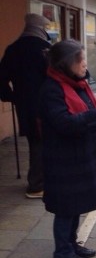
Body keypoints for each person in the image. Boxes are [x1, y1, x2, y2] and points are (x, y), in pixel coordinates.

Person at [39, 39, 96, 258]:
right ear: (66, 64)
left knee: (76, 205)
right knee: (65, 207)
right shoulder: (52, 89)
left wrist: (95, 115)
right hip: (63, 159)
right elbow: (63, 123)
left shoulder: (75, 83)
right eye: (80, 60)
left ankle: (72, 244)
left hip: (79, 155)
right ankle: (62, 253)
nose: (85, 64)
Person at [0, 13, 52, 199]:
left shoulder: (13, 49)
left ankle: (40, 180)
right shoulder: (44, 48)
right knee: (42, 141)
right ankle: (36, 185)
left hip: (24, 104)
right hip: (45, 103)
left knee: (35, 139)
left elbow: (1, 77)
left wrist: (10, 96)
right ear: (40, 28)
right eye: (45, 28)